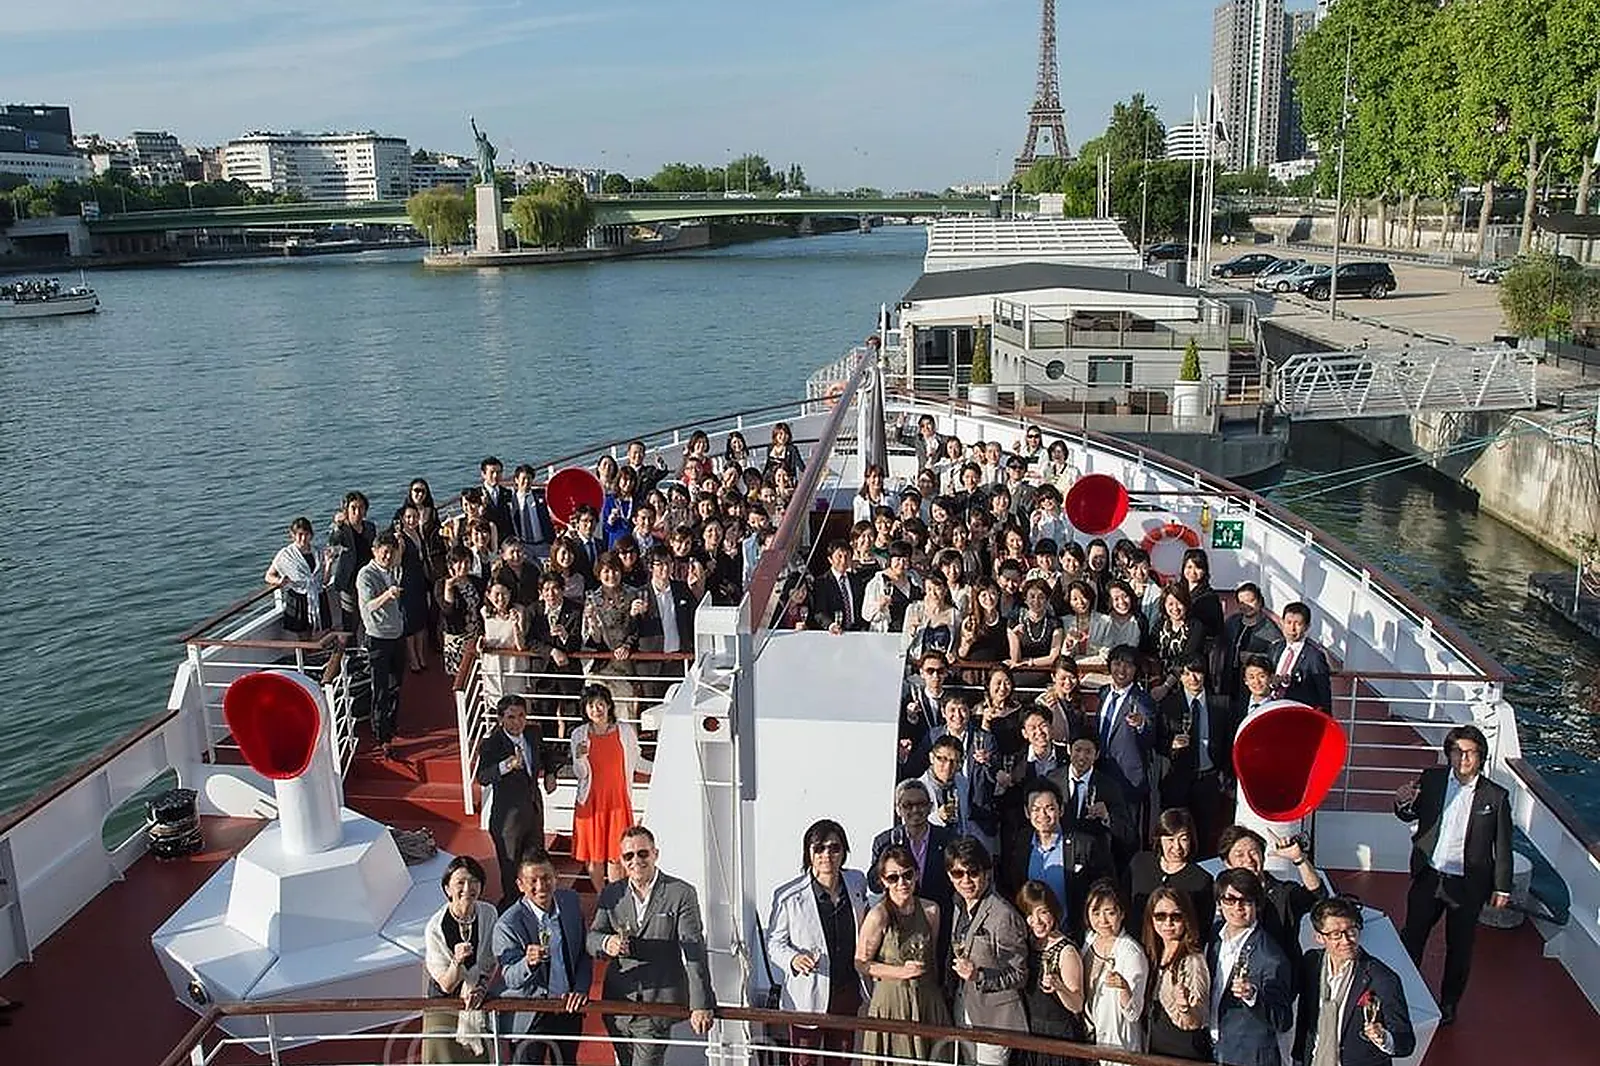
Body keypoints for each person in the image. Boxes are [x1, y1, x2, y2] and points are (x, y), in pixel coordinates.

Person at [1394, 723, 1512, 1025]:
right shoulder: (1432, 780)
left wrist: (1502, 887)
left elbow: (1503, 846)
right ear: (1449, 754)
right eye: (1457, 752)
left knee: (1459, 949)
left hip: (1467, 885)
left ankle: (1448, 1005)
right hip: (1429, 876)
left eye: (1470, 753)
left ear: (1481, 757)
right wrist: (1402, 800)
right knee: (1412, 937)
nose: (1463, 759)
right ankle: (1402, 992)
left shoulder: (1495, 796)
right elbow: (1408, 813)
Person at [586, 826, 715, 1066]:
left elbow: (694, 949)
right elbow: (592, 937)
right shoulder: (611, 893)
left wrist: (701, 1003)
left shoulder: (681, 893)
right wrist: (607, 942)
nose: (636, 861)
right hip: (617, 1004)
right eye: (629, 856)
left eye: (642, 854)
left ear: (655, 854)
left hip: (657, 1007)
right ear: (622, 861)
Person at [767, 820, 870, 1066]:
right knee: (804, 1061)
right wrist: (793, 959)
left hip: (846, 992)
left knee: (842, 1060)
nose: (827, 855)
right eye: (819, 848)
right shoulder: (788, 896)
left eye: (834, 848)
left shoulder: (856, 882)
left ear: (844, 851)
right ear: (808, 853)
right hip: (807, 995)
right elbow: (774, 942)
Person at [493, 852, 592, 1066]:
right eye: (533, 881)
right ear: (520, 884)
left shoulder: (571, 902)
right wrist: (527, 962)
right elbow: (510, 977)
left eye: (546, 878)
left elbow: (583, 954)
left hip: (567, 1008)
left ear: (556, 877)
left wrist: (581, 990)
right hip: (529, 1013)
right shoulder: (507, 924)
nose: (541, 886)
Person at [856, 844, 951, 1064]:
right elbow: (861, 963)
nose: (902, 883)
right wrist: (900, 972)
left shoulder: (931, 911)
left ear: (916, 874)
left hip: (927, 1000)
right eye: (893, 878)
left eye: (907, 875)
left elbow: (933, 957)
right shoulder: (878, 915)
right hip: (892, 1003)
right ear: (883, 881)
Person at [1294, 896, 1416, 1066]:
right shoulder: (1311, 963)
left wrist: (1384, 1038)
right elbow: (1305, 1018)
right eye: (1336, 935)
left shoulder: (1383, 979)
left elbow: (1406, 1042)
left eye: (1351, 931)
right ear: (1320, 937)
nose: (1346, 941)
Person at [945, 836, 1030, 1066]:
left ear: (986, 872)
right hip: (965, 1010)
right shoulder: (958, 905)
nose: (966, 880)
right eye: (958, 874)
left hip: (996, 1020)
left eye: (972, 872)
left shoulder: (1003, 915)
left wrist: (979, 976)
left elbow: (1020, 974)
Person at [1207, 867, 1294, 1066]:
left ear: (1257, 905)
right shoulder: (1214, 936)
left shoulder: (1271, 957)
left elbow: (1283, 1020)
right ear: (1220, 903)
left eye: (1246, 901)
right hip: (1213, 1047)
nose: (1238, 907)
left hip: (1249, 1058)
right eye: (1230, 900)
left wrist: (1252, 996)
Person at [476, 698, 558, 906]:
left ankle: (539, 906)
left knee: (537, 864)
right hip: (508, 822)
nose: (517, 722)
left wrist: (550, 773)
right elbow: (483, 777)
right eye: (511, 717)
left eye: (521, 716)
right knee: (512, 870)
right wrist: (506, 765)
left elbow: (547, 752)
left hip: (534, 813)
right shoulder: (492, 743)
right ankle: (514, 912)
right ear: (500, 718)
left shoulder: (533, 733)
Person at [1217, 825, 1325, 981]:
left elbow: (1317, 894)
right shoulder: (1222, 892)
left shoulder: (1284, 892)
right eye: (1239, 855)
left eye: (1254, 852)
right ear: (1228, 862)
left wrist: (1299, 859)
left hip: (1278, 978)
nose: (1248, 860)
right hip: (1232, 979)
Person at [423, 856, 500, 1064]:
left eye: (474, 881)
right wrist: (456, 962)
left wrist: (481, 987)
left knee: (478, 1059)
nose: (468, 888)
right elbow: (447, 985)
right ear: (447, 888)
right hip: (444, 1003)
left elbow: (491, 962)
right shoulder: (435, 928)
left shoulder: (489, 913)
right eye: (460, 882)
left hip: (476, 998)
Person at [1156, 657, 1234, 853]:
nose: (1193, 678)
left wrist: (1223, 777)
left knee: (1206, 834)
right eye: (1187, 673)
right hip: (1178, 779)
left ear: (1204, 674)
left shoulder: (1221, 704)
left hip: (1209, 779)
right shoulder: (1169, 705)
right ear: (1180, 677)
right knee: (1176, 833)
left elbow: (1228, 743)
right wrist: (1170, 745)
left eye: (1197, 673)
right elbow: (1157, 741)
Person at [997, 780, 1095, 932]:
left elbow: (1100, 889)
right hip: (1032, 934)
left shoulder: (1083, 845)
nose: (1042, 815)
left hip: (1071, 934)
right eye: (1035, 809)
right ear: (1027, 812)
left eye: (1049, 808)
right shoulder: (1020, 842)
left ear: (1061, 809)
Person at [570, 685, 640, 890]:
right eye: (590, 705)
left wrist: (662, 767)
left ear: (609, 705)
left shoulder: (625, 730)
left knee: (617, 856)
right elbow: (580, 774)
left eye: (600, 704)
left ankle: (617, 900)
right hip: (591, 801)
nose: (596, 709)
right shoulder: (579, 734)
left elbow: (636, 760)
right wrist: (579, 757)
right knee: (594, 856)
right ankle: (603, 899)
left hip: (617, 800)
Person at [1013, 880, 1088, 1064]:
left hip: (1060, 1038)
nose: (1036, 921)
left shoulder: (1066, 951)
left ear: (1053, 913)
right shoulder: (1026, 944)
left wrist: (1059, 986)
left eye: (1043, 912)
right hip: (1031, 1033)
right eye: (1029, 914)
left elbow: (1077, 1004)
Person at [1080, 879, 1149, 1064]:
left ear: (1122, 913)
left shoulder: (1130, 951)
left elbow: (1134, 1012)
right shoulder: (1088, 941)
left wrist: (1124, 988)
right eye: (1096, 913)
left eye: (1110, 913)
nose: (1102, 920)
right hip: (1090, 1036)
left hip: (1119, 1041)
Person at [870, 780, 957, 922]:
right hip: (899, 920)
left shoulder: (948, 839)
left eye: (921, 804)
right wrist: (888, 856)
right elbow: (874, 885)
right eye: (908, 805)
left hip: (939, 918)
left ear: (930, 807)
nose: (915, 810)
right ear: (898, 809)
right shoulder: (884, 841)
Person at [1142, 886, 1212, 1061]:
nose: (1168, 923)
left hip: (1185, 1052)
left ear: (1186, 918)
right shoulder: (1152, 955)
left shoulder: (1193, 961)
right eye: (1160, 916)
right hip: (1156, 1050)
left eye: (1176, 916)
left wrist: (1184, 1007)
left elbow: (1196, 1020)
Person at [1127, 808, 1215, 947]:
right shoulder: (1139, 863)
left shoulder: (1201, 879)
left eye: (1183, 839)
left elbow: (1201, 930)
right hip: (1137, 947)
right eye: (1170, 839)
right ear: (1159, 839)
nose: (1177, 847)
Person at [358, 532, 407, 759]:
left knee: (396, 683)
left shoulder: (393, 570)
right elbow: (369, 607)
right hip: (378, 638)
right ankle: (381, 735)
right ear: (375, 552)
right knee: (380, 689)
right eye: (384, 551)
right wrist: (388, 595)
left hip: (397, 635)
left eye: (391, 551)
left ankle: (392, 723)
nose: (387, 556)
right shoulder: (366, 575)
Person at [265, 516, 328, 637]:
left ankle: (319, 655)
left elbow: (324, 580)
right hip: (298, 597)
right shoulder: (285, 555)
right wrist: (279, 581)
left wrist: (329, 563)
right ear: (293, 535)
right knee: (303, 637)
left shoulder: (318, 552)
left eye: (306, 534)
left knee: (322, 634)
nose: (303, 538)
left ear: (311, 534)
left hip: (317, 595)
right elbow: (269, 575)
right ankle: (305, 656)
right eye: (299, 534)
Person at [328, 490, 376, 636]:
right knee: (350, 621)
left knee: (368, 616)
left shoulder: (370, 527)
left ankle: (367, 648)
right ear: (346, 510)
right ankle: (350, 653)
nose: (357, 512)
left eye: (361, 507)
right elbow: (333, 541)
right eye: (353, 508)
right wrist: (337, 524)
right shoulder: (342, 530)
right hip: (348, 583)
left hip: (366, 579)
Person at [1270, 602, 1332, 714]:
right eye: (1288, 623)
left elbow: (1323, 691)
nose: (1292, 629)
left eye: (1298, 624)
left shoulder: (1314, 656)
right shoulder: (1275, 648)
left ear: (1307, 627)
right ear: (1282, 622)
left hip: (1299, 713)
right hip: (1273, 708)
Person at [1222, 583, 1282, 699]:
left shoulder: (1271, 630)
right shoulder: (1232, 622)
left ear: (1260, 601)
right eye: (1242, 603)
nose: (1246, 606)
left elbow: (1276, 660)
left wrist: (1253, 657)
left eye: (1251, 601)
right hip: (1229, 681)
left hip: (1254, 686)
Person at [479, 581, 530, 707]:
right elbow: (479, 638)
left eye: (504, 594)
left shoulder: (519, 610)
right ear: (488, 595)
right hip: (492, 665)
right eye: (496, 594)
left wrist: (515, 625)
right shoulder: (484, 612)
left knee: (516, 703)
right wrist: (480, 644)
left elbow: (521, 646)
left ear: (510, 594)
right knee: (495, 703)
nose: (501, 598)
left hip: (514, 664)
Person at [440, 547, 486, 678]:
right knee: (459, 677)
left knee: (477, 672)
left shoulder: (476, 581)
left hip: (475, 634)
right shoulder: (441, 584)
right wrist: (449, 589)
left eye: (467, 562)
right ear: (451, 564)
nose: (464, 566)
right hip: (457, 639)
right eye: (459, 562)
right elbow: (448, 612)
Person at [811, 540, 864, 632]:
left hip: (857, 631)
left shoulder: (856, 580)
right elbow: (819, 612)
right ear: (830, 559)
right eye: (839, 556)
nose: (843, 560)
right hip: (835, 632)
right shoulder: (823, 582)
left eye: (847, 556)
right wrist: (830, 625)